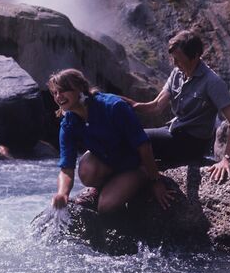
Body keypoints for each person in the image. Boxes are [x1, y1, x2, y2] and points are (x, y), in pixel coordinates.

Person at [48, 68, 173, 214]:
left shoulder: (113, 106)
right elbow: (66, 167)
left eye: (63, 90)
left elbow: (143, 146)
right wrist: (62, 194)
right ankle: (105, 186)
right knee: (86, 170)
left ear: (80, 88)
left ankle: (142, 176)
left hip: (134, 164)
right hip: (110, 163)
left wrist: (156, 181)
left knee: (106, 206)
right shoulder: (69, 122)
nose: (58, 96)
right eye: (55, 93)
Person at [125, 31, 230, 184]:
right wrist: (132, 105)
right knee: (129, 137)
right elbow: (156, 107)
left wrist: (226, 159)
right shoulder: (177, 74)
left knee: (139, 140)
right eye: (173, 59)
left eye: (178, 60)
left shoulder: (212, 82)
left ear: (194, 57)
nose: (175, 64)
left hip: (192, 143)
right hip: (174, 131)